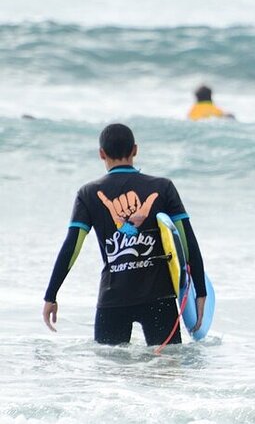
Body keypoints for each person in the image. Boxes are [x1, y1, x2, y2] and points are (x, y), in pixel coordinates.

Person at [42, 123, 207, 346]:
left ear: (101, 153)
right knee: (167, 372)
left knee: (110, 371)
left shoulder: (88, 193)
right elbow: (187, 241)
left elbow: (72, 247)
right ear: (135, 150)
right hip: (159, 297)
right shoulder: (163, 187)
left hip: (113, 298)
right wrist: (200, 291)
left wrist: (51, 295)